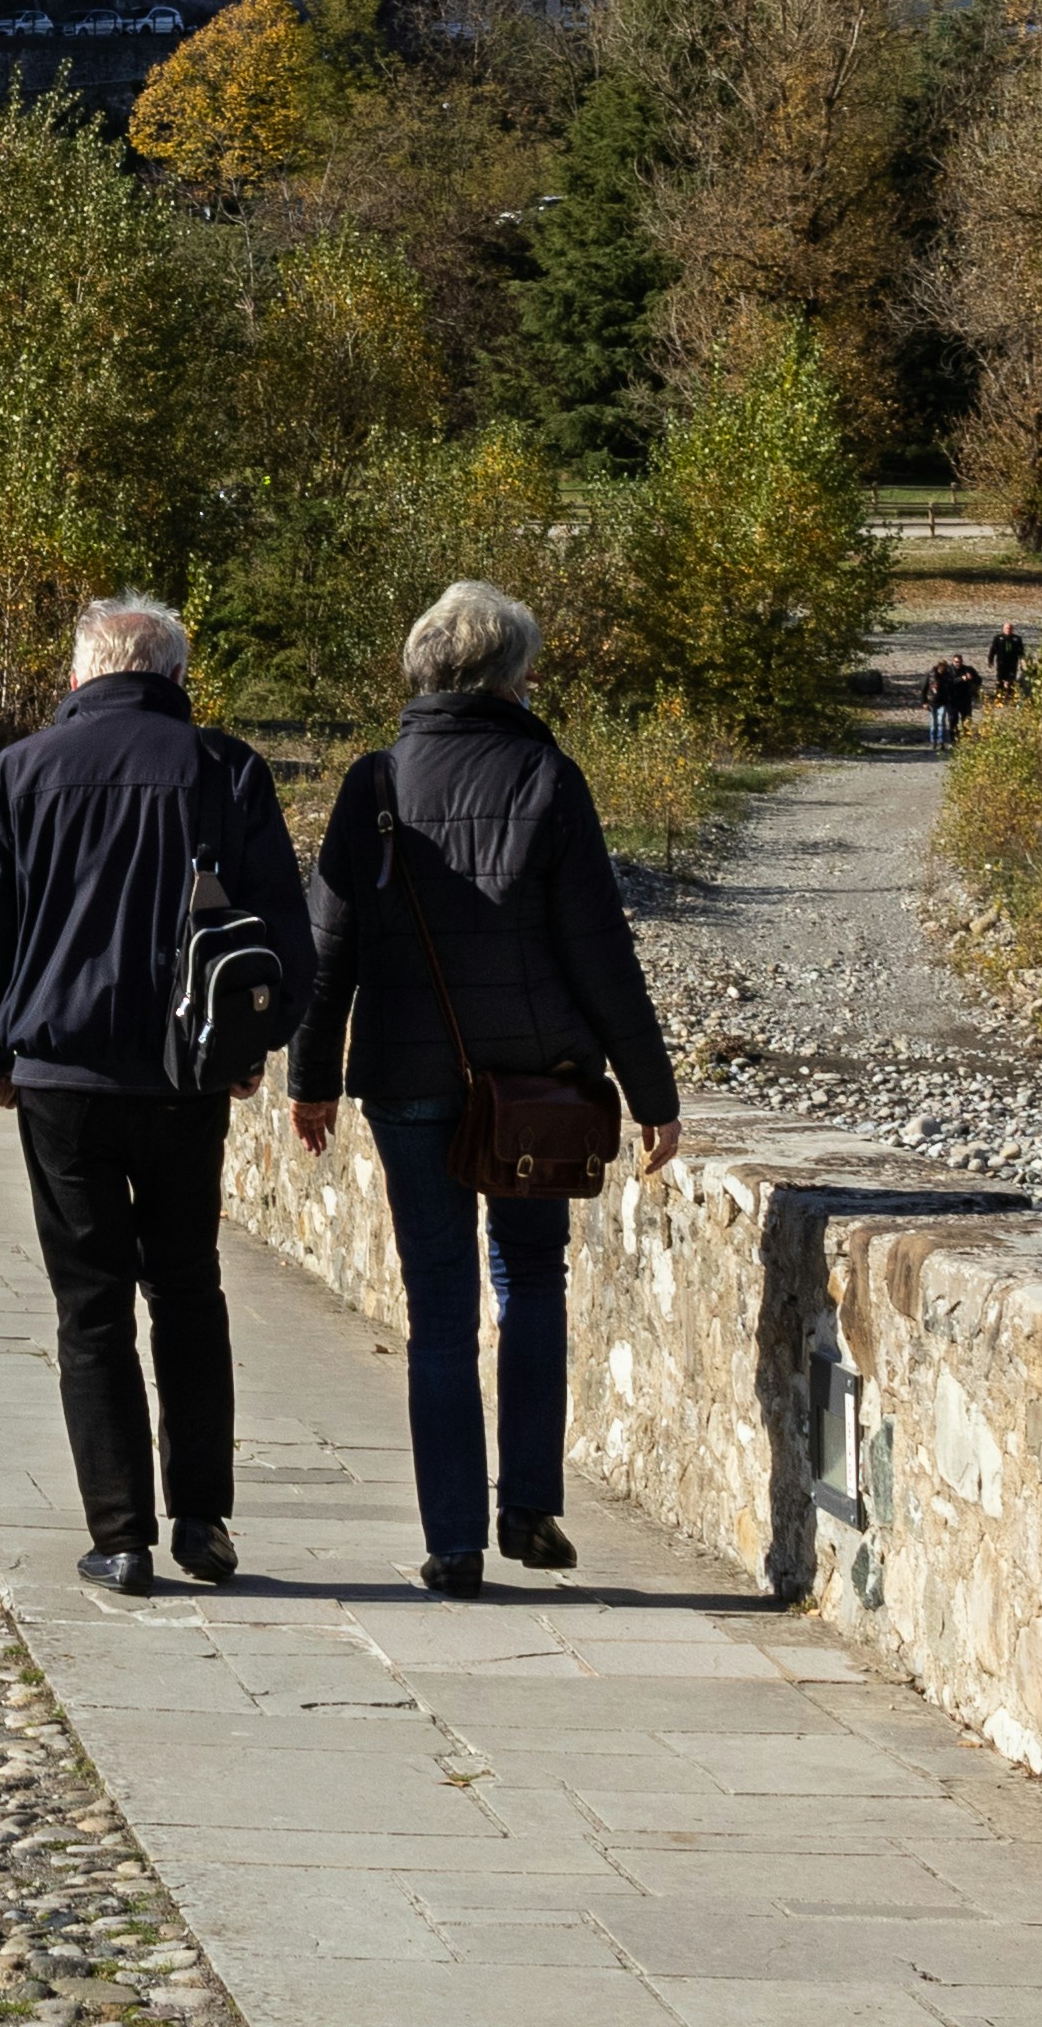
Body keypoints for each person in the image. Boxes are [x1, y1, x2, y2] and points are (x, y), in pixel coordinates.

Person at [290, 580, 683, 1601]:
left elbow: (327, 949)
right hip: (533, 1087)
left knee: (438, 1314)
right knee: (534, 1278)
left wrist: (311, 1079)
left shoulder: (371, 785)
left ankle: (454, 1543)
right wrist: (652, 1090)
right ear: (515, 675)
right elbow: (601, 955)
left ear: (421, 670)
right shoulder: (550, 778)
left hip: (410, 1079)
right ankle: (530, 1504)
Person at [0, 595, 313, 1595]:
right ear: (175, 674)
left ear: (78, 674)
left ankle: (122, 1534)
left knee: (90, 1304)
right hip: (187, 1079)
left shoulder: (18, 774)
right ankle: (203, 1521)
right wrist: (250, 1044)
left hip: (61, 1077)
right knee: (188, 1287)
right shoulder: (228, 772)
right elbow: (287, 945)